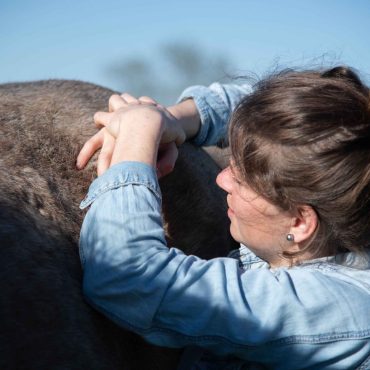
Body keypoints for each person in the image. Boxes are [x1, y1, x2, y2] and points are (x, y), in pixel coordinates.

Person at [77, 66, 370, 369]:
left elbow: (129, 277)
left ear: (299, 222)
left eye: (241, 180)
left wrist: (135, 142)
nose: (222, 180)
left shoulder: (331, 309)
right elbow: (253, 103)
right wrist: (178, 118)